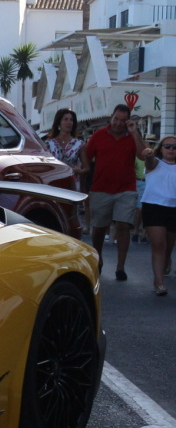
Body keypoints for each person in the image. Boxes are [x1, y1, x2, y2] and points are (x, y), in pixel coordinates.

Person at [81, 104, 147, 280]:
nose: (118, 123)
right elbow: (86, 156)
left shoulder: (132, 136)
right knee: (99, 228)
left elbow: (142, 155)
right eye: (116, 119)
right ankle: (99, 258)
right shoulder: (99, 135)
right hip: (101, 188)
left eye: (123, 120)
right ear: (111, 117)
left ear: (128, 121)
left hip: (126, 189)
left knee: (123, 226)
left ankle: (120, 267)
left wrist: (135, 132)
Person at [139, 135, 176, 296]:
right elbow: (148, 160)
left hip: (173, 208)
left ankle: (166, 261)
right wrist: (148, 153)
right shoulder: (155, 163)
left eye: (174, 147)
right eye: (167, 146)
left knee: (168, 245)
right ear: (161, 148)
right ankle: (159, 282)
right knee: (158, 244)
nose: (171, 149)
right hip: (154, 206)